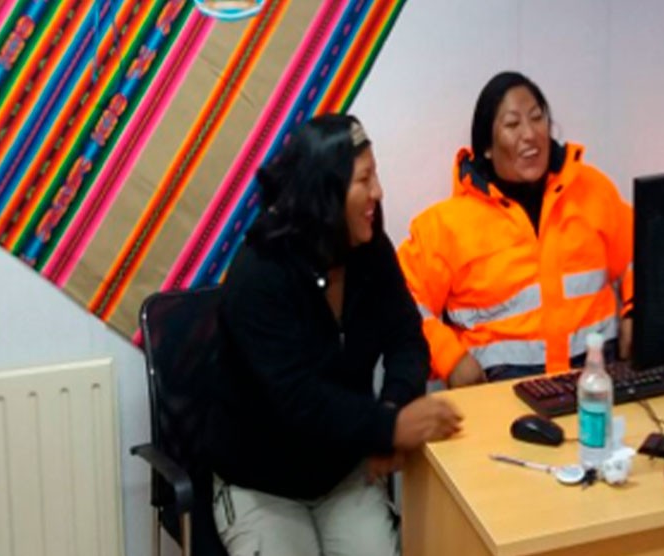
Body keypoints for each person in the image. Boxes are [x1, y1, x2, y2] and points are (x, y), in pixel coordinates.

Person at [208, 114, 463, 556]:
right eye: (364, 179)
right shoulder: (259, 274)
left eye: (375, 174)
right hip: (262, 486)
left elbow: (406, 337)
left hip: (344, 474)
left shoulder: (370, 249)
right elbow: (298, 400)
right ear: (323, 193)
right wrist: (389, 428)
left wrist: (393, 409)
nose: (378, 192)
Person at [397, 71, 634, 388]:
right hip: (502, 394)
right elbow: (401, 300)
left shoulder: (592, 190)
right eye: (512, 124)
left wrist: (636, 310)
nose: (530, 134)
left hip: (598, 382)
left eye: (537, 118)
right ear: (487, 147)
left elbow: (644, 251)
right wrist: (450, 358)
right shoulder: (445, 225)